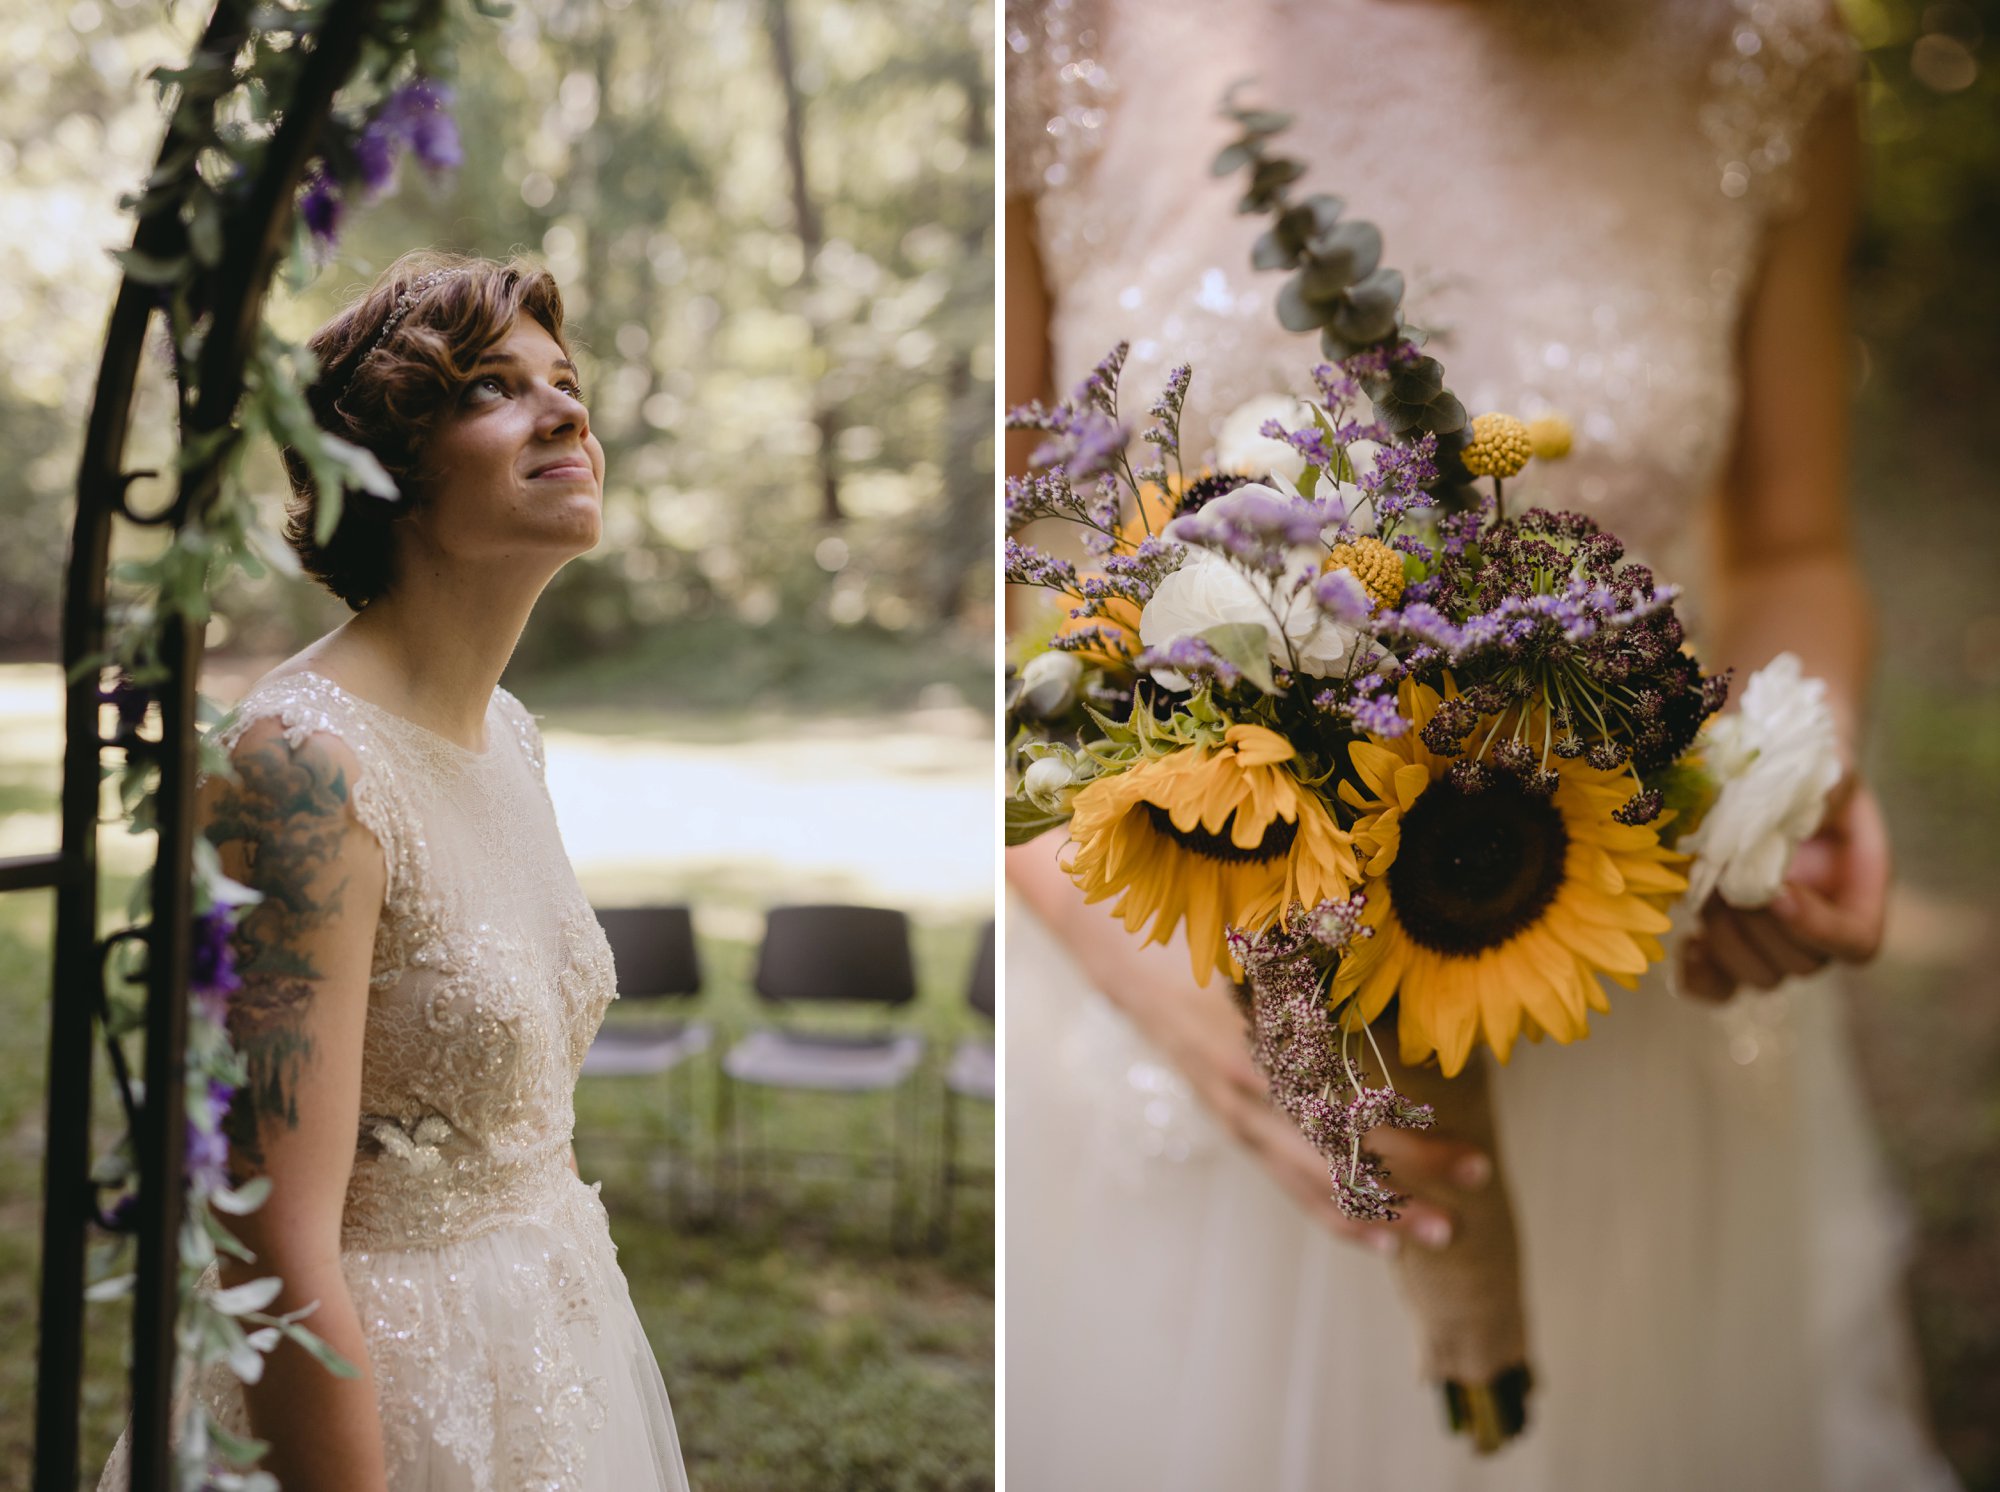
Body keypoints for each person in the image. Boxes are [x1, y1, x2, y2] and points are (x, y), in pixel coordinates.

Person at [1003, 1, 1960, 1487]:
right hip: (1189, 982)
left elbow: (1791, 545)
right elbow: (997, 597)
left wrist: (1792, 762)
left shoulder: (1767, 55)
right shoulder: (1056, 39)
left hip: (1630, 975)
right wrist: (1145, 949)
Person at [97, 252, 689, 1491]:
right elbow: (264, 1234)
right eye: (494, 387)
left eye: (564, 380)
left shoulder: (508, 732)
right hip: (382, 1402)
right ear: (386, 467)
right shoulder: (300, 771)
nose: (568, 410)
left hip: (552, 1351)